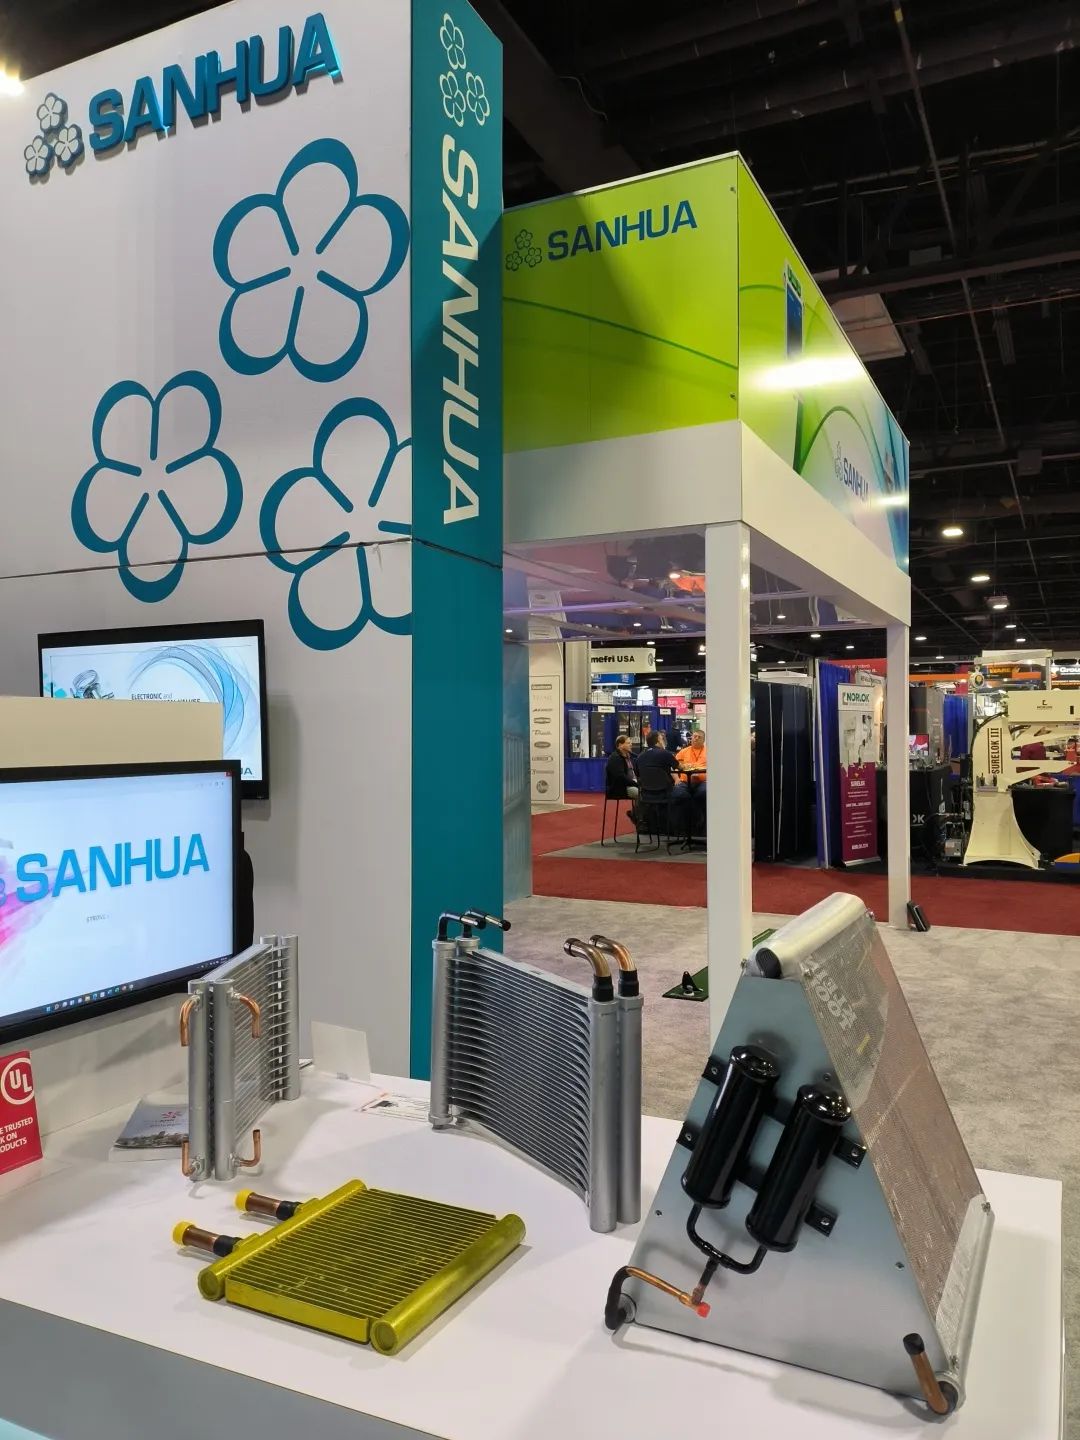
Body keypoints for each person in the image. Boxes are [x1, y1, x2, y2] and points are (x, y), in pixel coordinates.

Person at [605, 734, 638, 800]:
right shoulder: (615, 758)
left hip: (630, 784)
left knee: (647, 791)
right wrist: (635, 783)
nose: (631, 745)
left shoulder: (629, 756)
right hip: (620, 789)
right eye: (628, 743)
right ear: (620, 745)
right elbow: (621, 777)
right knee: (643, 794)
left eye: (631, 743)